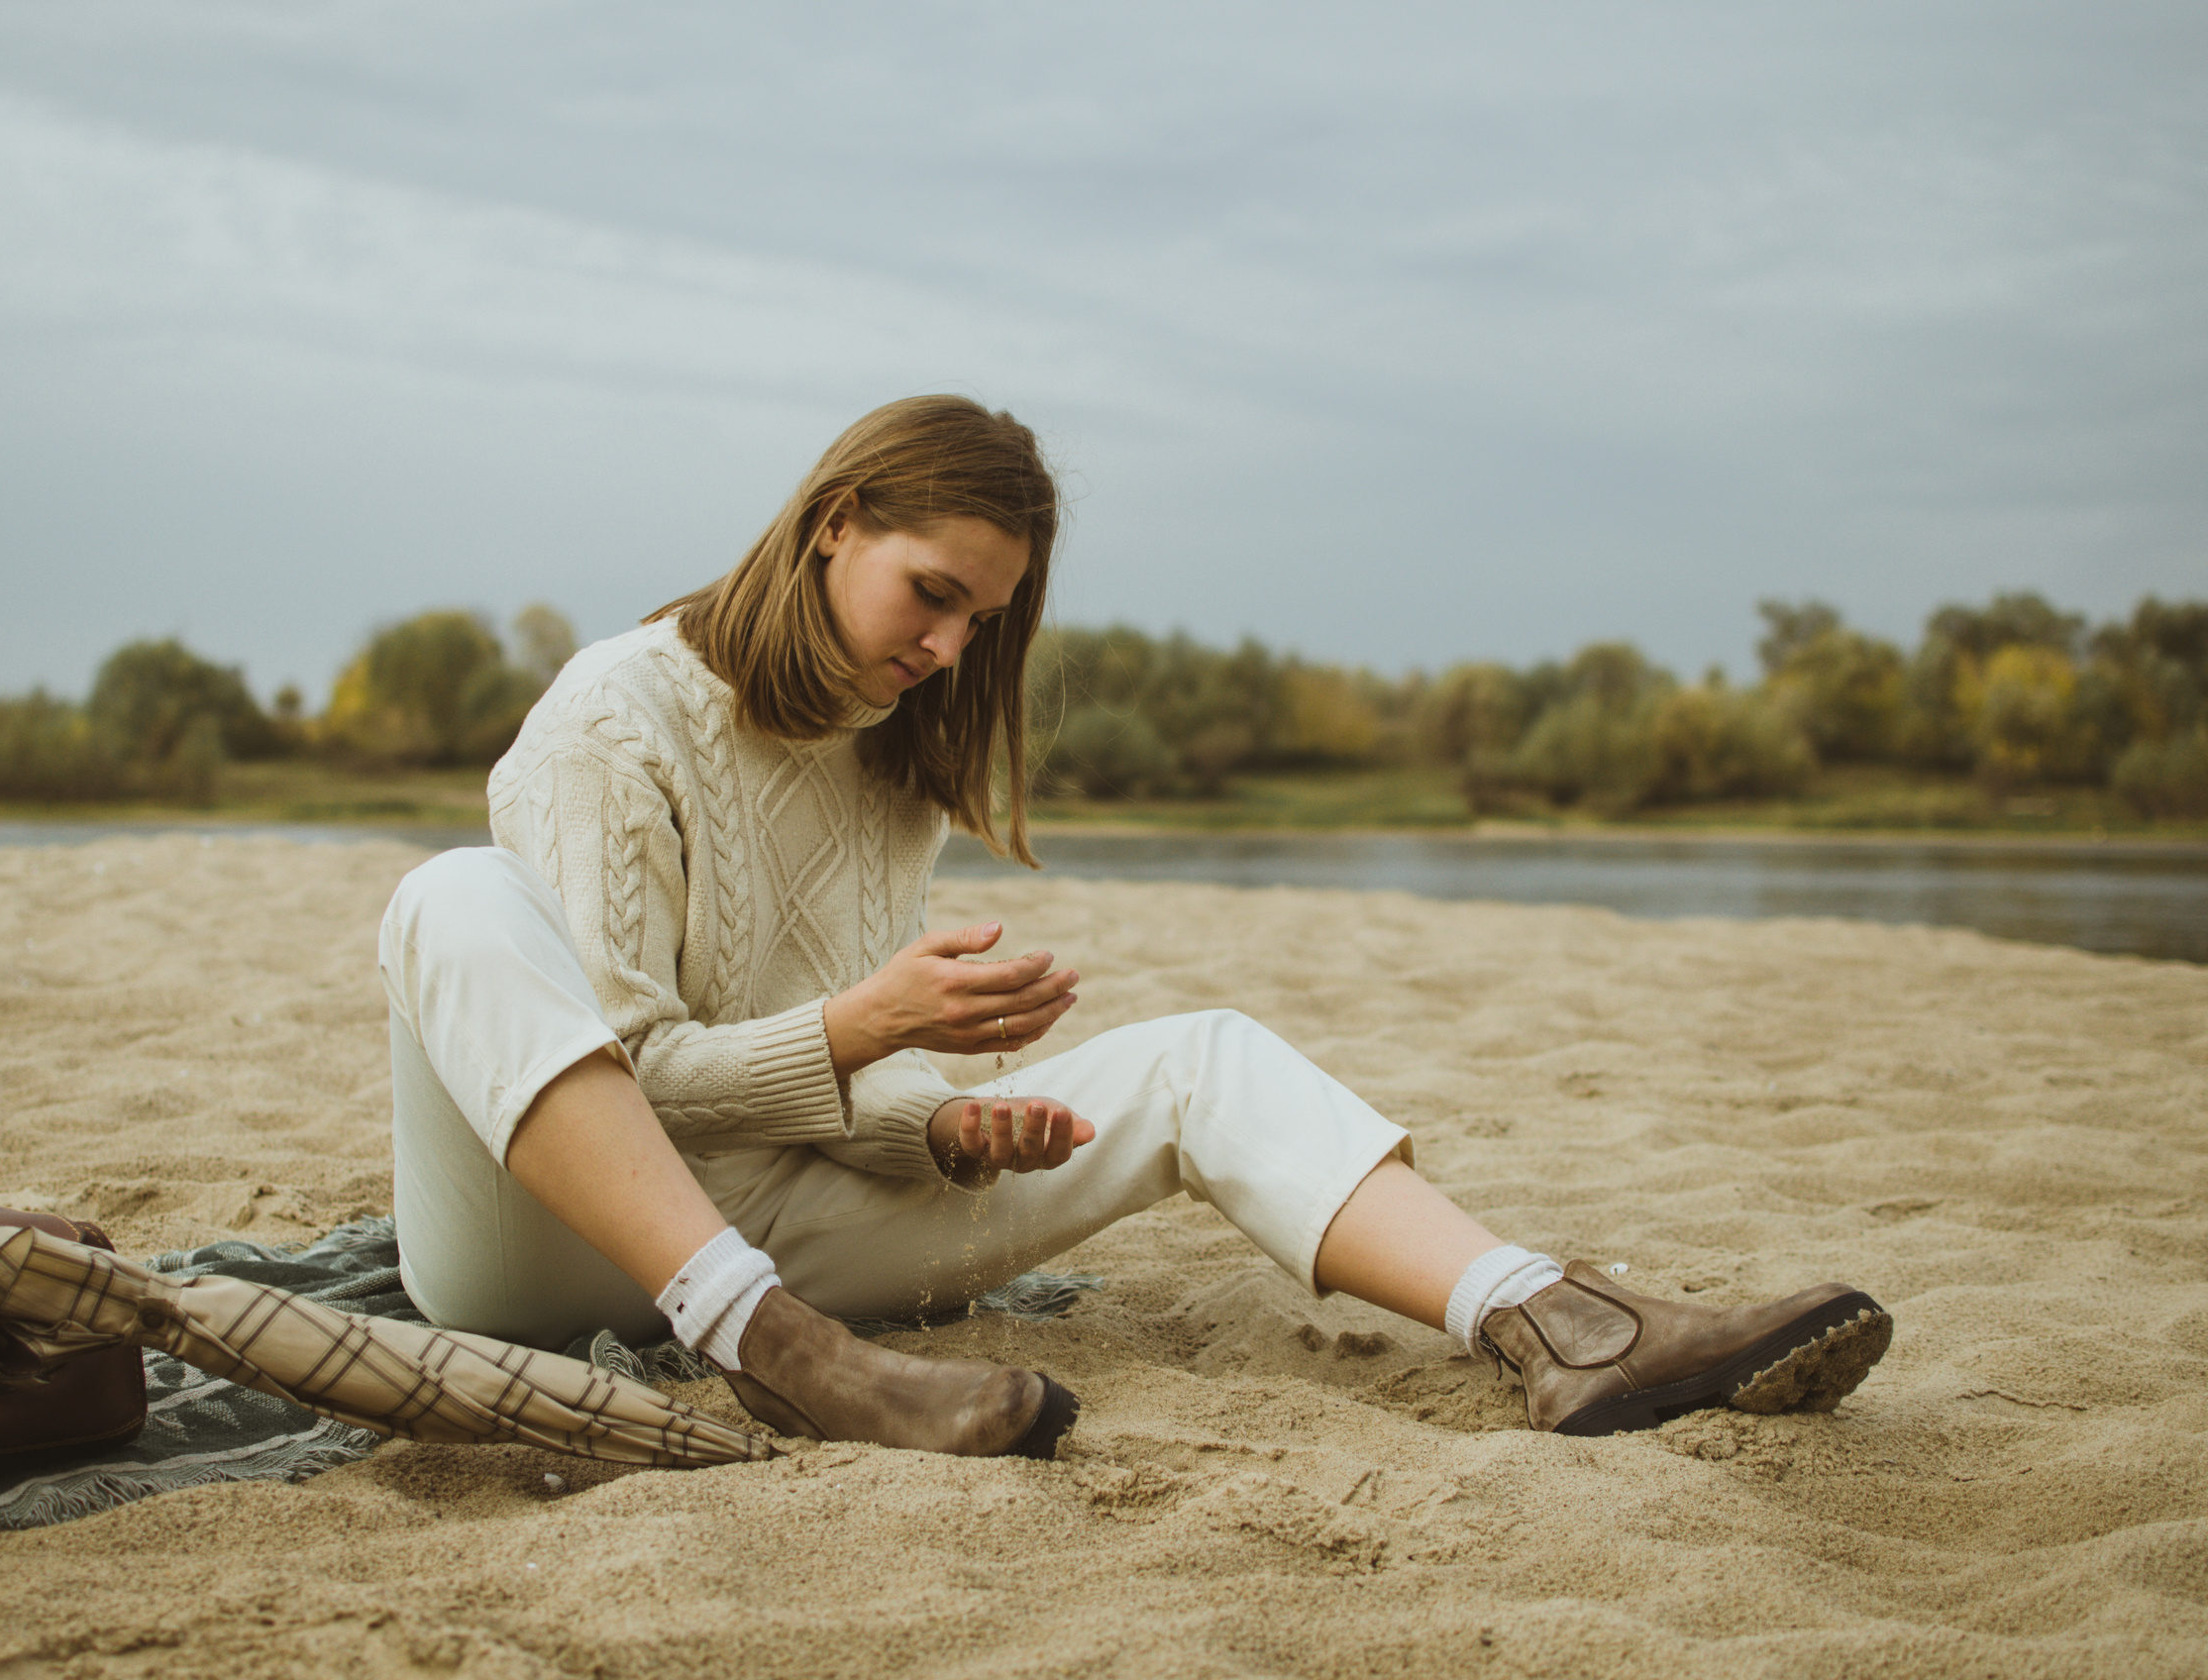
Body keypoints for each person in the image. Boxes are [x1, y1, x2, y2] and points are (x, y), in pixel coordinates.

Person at [379, 396, 1891, 1457]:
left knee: (1200, 1060)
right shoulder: (614, 720)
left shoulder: (895, 768)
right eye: (933, 593)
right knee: (451, 895)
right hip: (553, 1244)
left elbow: (842, 1082)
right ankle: (765, 1350)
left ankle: (1555, 1325)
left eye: (984, 619)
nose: (951, 646)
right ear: (835, 524)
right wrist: (867, 1029)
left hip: (785, 1229)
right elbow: (629, 1071)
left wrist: (945, 1131)